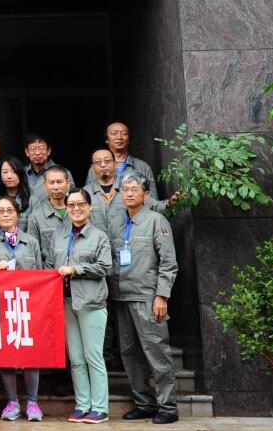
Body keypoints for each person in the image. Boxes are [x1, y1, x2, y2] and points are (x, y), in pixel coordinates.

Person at [110, 172, 179, 425]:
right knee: (130, 355)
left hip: (147, 297)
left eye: (134, 189)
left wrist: (162, 295)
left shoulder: (156, 220)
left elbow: (168, 262)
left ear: (146, 194)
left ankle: (168, 406)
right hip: (121, 297)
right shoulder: (117, 223)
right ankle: (143, 404)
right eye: (125, 189)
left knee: (156, 352)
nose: (129, 193)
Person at [49, 188, 113, 424]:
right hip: (65, 302)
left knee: (93, 356)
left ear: (90, 207)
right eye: (71, 205)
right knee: (75, 358)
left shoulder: (99, 236)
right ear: (66, 209)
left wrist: (76, 269)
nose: (76, 209)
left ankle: (100, 407)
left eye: (81, 204)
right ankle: (83, 404)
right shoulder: (58, 236)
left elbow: (105, 266)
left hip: (91, 302)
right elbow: (50, 264)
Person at [0, 197, 44, 422]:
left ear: (17, 214)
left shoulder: (31, 241)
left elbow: (41, 272)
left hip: (28, 304)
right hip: (1, 306)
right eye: (1, 211)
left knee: (31, 353)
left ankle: (33, 402)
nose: (6, 214)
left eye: (10, 210)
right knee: (6, 353)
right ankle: (12, 402)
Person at [86, 121, 161, 204]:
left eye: (124, 133)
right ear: (106, 139)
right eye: (114, 133)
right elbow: (87, 198)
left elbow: (153, 200)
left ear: (129, 139)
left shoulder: (143, 167)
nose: (119, 137)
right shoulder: (95, 169)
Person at [27, 166, 71, 264]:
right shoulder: (36, 217)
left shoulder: (78, 212)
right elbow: (33, 251)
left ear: (68, 183)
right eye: (51, 182)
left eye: (59, 182)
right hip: (49, 270)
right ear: (45, 185)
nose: (56, 187)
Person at [23, 133, 73, 202]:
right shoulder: (21, 173)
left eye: (41, 148)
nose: (37, 153)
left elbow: (71, 198)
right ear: (27, 152)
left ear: (48, 151)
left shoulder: (63, 172)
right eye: (33, 149)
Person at [0, 156, 33, 223]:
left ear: (20, 174)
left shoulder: (32, 200)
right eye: (5, 172)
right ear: (0, 176)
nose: (9, 176)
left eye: (14, 172)